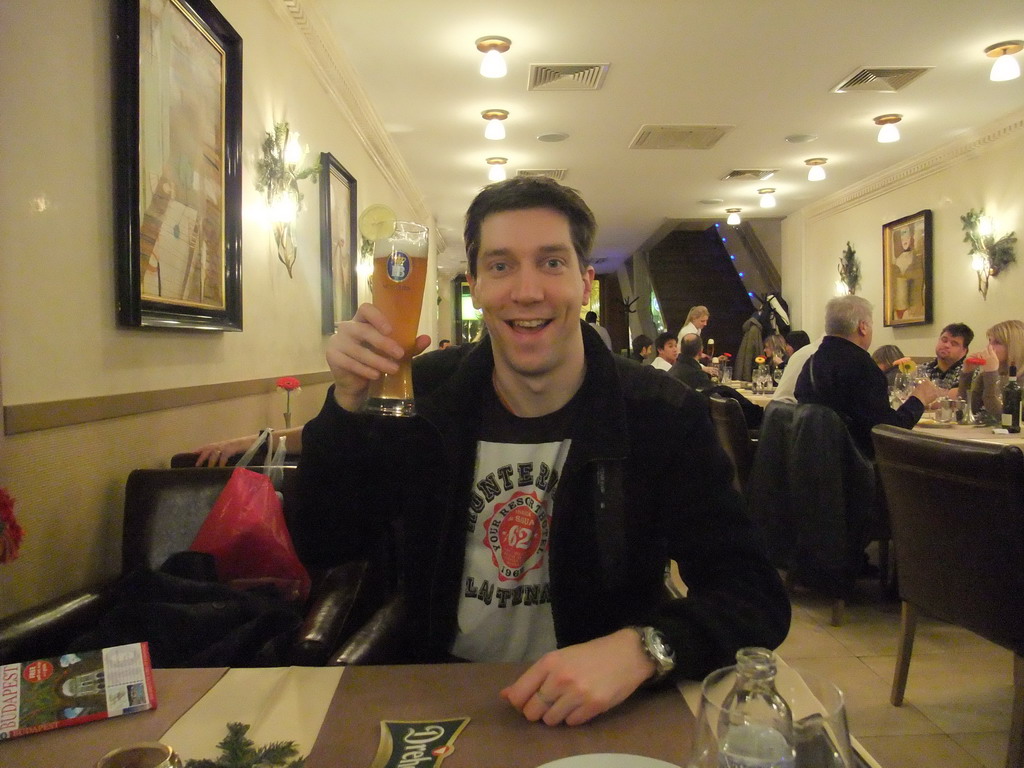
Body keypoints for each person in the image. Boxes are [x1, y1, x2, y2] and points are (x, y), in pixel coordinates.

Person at [296, 176, 789, 727]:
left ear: (585, 282)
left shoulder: (659, 413)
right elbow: (323, 541)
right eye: (501, 265)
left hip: (604, 709)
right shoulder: (422, 398)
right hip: (441, 692)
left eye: (551, 263)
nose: (526, 291)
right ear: (476, 285)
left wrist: (642, 650)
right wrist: (343, 405)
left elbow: (754, 597)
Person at [794, 295, 939, 457]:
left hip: (814, 462)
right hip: (855, 469)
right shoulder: (862, 366)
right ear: (863, 327)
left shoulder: (812, 363)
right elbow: (887, 432)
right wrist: (918, 400)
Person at [958, 319, 1024, 415]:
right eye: (989, 341)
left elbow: (1002, 418)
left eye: (997, 342)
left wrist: (991, 373)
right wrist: (967, 374)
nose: (989, 347)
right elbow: (964, 413)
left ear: (1014, 347)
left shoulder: (1018, 381)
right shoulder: (987, 375)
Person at [918, 323, 973, 391]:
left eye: (954, 344)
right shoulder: (923, 369)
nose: (946, 345)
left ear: (964, 351)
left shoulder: (968, 372)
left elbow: (961, 396)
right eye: (944, 340)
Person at [772, 336, 822, 404]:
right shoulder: (802, 356)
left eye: (787, 345)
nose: (785, 348)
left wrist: (781, 365)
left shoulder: (802, 357)